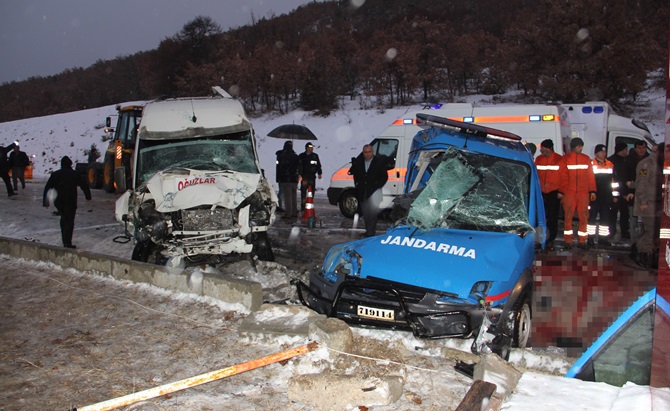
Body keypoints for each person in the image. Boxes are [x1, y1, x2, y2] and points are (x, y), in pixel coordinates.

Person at [43, 156, 92, 249]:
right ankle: (67, 242)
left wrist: (46, 201)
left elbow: (48, 187)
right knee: (69, 221)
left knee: (64, 219)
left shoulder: (55, 174)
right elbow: (84, 185)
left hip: (58, 201)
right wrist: (88, 196)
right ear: (70, 164)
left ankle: (64, 240)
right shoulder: (74, 174)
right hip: (70, 200)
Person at [558, 138, 596, 249]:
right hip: (569, 193)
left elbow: (590, 176)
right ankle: (568, 240)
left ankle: (582, 241)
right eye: (579, 146)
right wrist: (562, 191)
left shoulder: (586, 159)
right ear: (574, 146)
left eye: (581, 146)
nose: (580, 148)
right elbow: (563, 177)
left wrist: (592, 190)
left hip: (583, 193)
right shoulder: (566, 159)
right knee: (568, 217)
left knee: (584, 217)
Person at [631, 143, 664, 268]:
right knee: (650, 233)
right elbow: (641, 184)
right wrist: (643, 201)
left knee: (656, 233)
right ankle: (640, 251)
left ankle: (646, 253)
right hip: (648, 204)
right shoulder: (646, 164)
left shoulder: (661, 164)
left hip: (658, 204)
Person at [349, 144, 389, 237]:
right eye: (366, 152)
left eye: (369, 152)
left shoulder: (379, 162)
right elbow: (356, 175)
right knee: (366, 214)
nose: (367, 154)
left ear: (372, 152)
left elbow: (384, 177)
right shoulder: (359, 162)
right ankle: (368, 231)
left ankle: (371, 232)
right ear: (363, 153)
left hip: (374, 192)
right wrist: (358, 185)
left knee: (373, 214)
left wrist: (377, 186)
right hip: (363, 192)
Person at [534, 139, 562, 250]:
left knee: (552, 218)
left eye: (543, 148)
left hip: (554, 193)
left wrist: (561, 191)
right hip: (541, 192)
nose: (541, 150)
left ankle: (550, 239)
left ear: (549, 148)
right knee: (539, 217)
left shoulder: (559, 159)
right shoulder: (539, 159)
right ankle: (538, 239)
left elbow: (564, 177)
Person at [587, 144, 617, 247]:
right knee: (591, 218)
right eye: (601, 151)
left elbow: (614, 182)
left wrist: (615, 195)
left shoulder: (610, 164)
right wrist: (590, 193)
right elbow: (588, 182)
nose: (603, 153)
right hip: (594, 197)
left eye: (604, 152)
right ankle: (589, 239)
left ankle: (603, 239)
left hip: (606, 196)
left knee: (605, 219)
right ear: (596, 153)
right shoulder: (591, 164)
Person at [625, 140, 649, 240]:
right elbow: (625, 177)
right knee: (633, 218)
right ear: (635, 149)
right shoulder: (629, 160)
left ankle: (644, 241)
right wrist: (628, 191)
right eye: (639, 148)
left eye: (643, 148)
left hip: (646, 194)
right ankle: (634, 241)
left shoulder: (649, 160)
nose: (641, 150)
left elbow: (645, 179)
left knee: (646, 221)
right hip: (632, 193)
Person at [607, 142, 631, 240]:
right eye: (626, 149)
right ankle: (613, 231)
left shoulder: (626, 160)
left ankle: (623, 231)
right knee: (613, 213)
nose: (627, 151)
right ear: (621, 150)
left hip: (623, 192)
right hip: (615, 192)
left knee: (624, 213)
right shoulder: (611, 161)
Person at [276, 141, 299, 219]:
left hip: (285, 179)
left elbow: (279, 168)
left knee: (287, 197)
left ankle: (288, 213)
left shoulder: (282, 156)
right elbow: (299, 167)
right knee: (294, 196)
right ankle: (294, 212)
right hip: (294, 179)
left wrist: (278, 178)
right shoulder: (296, 156)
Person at [297, 142, 322, 210]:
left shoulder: (315, 156)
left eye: (312, 147)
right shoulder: (301, 156)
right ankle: (303, 206)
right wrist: (299, 174)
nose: (311, 149)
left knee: (311, 192)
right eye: (310, 147)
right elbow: (298, 166)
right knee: (303, 192)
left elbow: (318, 165)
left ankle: (310, 204)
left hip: (312, 177)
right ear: (306, 148)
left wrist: (319, 173)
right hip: (304, 176)